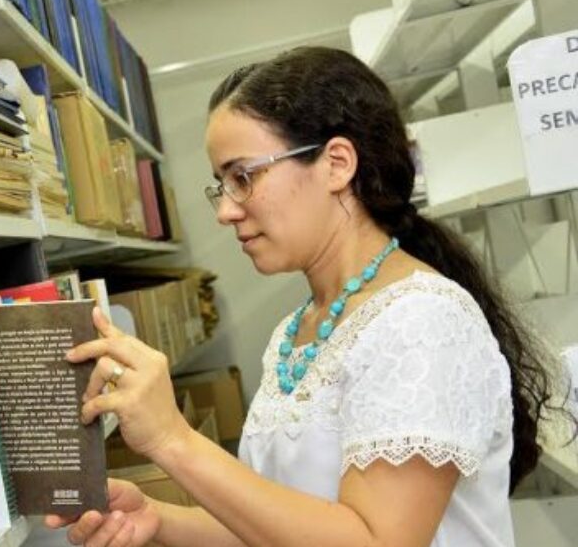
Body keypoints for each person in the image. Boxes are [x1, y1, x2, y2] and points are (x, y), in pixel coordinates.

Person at [47, 47, 570, 547]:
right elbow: (278, 525)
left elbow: (373, 540)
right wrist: (159, 518)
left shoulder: (421, 323)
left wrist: (173, 441)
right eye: (221, 183)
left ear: (337, 163)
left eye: (243, 176)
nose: (225, 211)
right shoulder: (296, 332)